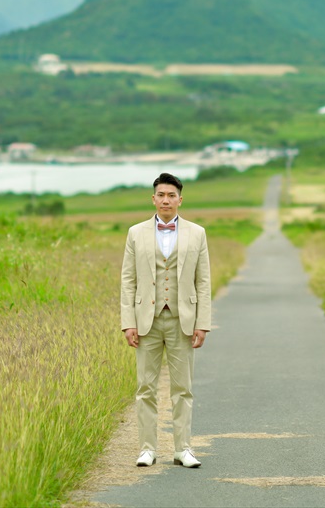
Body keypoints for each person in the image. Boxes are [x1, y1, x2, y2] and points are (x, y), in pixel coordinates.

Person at [121, 172, 212, 468]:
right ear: (153, 198)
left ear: (180, 200)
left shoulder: (197, 233)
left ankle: (183, 449)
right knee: (145, 387)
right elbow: (128, 280)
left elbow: (203, 282)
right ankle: (147, 448)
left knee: (182, 388)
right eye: (161, 195)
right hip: (146, 319)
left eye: (171, 195)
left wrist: (202, 322)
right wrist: (128, 322)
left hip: (182, 319)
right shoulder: (135, 233)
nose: (166, 200)